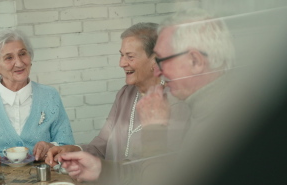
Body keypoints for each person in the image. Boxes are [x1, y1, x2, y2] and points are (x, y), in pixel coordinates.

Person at [60, 8, 236, 182]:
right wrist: (97, 166)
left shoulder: (202, 110)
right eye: (122, 55)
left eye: (162, 59)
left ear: (196, 61)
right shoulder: (127, 94)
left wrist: (153, 130)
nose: (159, 71)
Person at [45, 23, 189, 165]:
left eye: (130, 56)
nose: (122, 63)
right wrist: (72, 150)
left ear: (155, 60)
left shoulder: (176, 101)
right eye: (121, 55)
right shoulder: (125, 95)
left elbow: (167, 164)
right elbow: (101, 145)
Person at [0, 30, 75, 165]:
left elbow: (67, 144)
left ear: (30, 58)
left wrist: (51, 147)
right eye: (9, 58)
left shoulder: (50, 96)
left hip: (42, 179)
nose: (19, 63)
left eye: (22, 54)